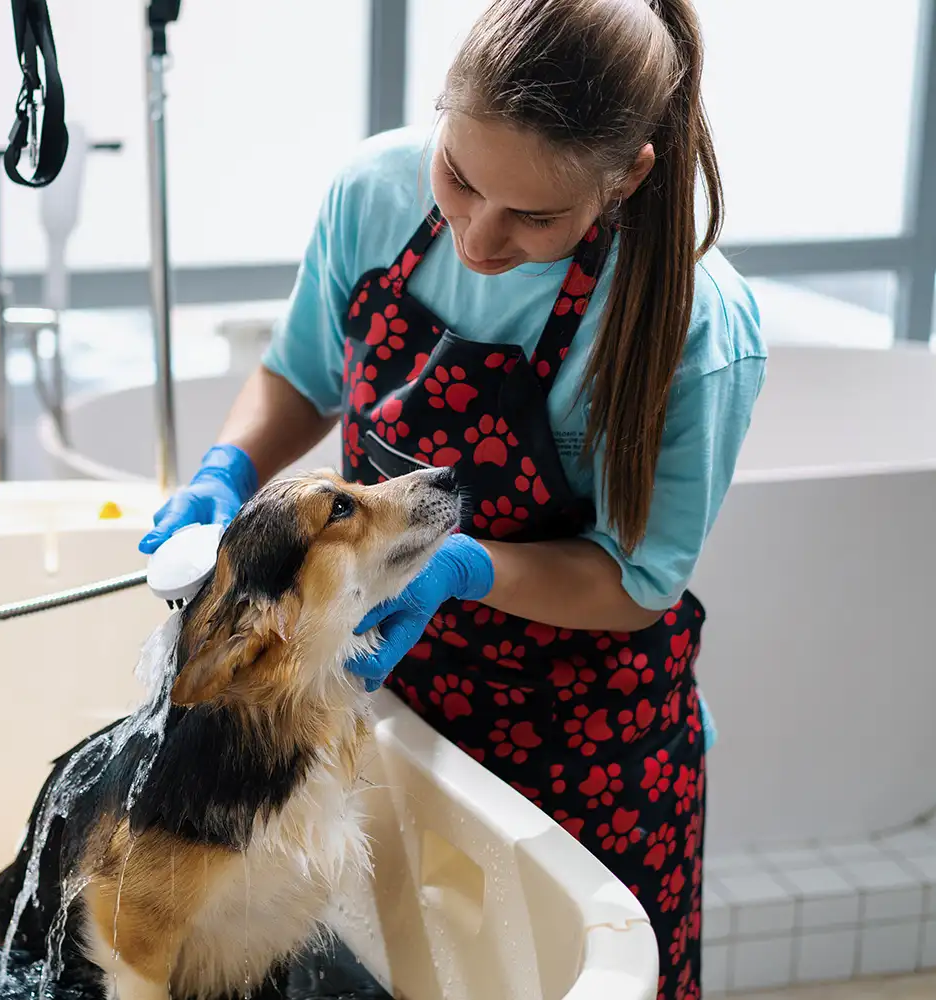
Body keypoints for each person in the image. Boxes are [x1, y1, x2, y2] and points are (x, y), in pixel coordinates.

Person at [138, 0, 766, 996]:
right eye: (462, 178)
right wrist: (225, 472)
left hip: (581, 745)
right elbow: (303, 373)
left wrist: (459, 567)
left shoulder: (693, 329)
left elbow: (636, 581)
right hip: (393, 701)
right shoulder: (373, 193)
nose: (478, 235)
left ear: (628, 176)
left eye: (534, 218)